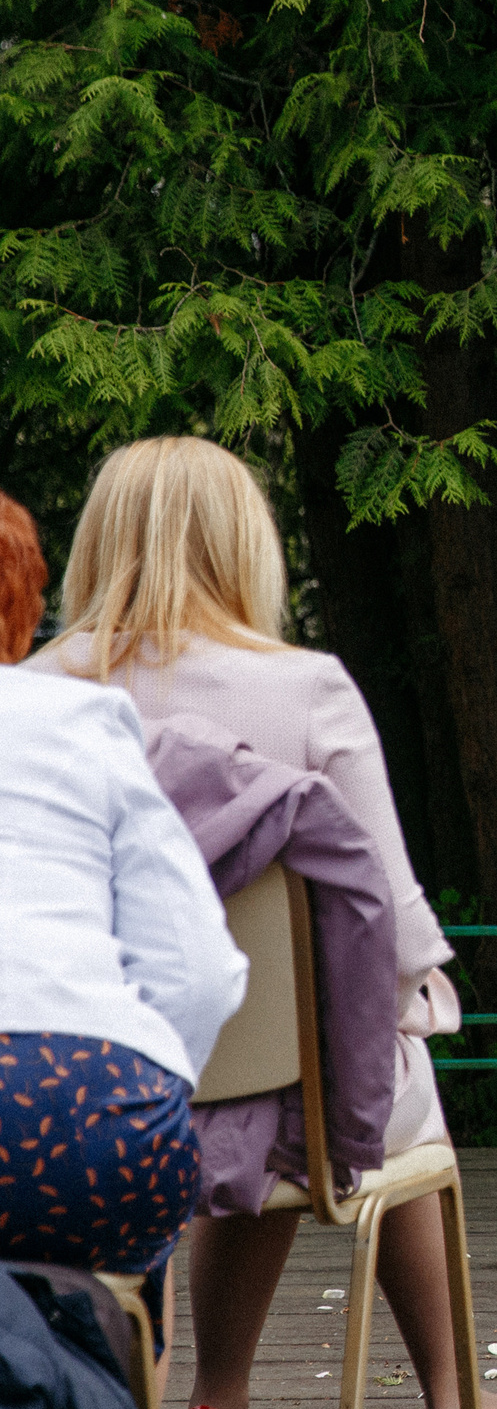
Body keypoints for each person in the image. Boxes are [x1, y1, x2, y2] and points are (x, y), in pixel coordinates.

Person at [26, 439, 497, 1409]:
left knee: (258, 1091)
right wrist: (414, 1003)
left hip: (85, 1083)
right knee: (372, 1072)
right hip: (276, 1087)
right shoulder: (306, 688)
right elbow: (389, 925)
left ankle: (217, 1398)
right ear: (242, 543)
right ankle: (453, 1402)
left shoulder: (35, 692)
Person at [0, 487, 246, 1295]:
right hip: (87, 1113)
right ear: (24, 603)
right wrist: (140, 1083)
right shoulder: (83, 722)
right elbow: (197, 970)